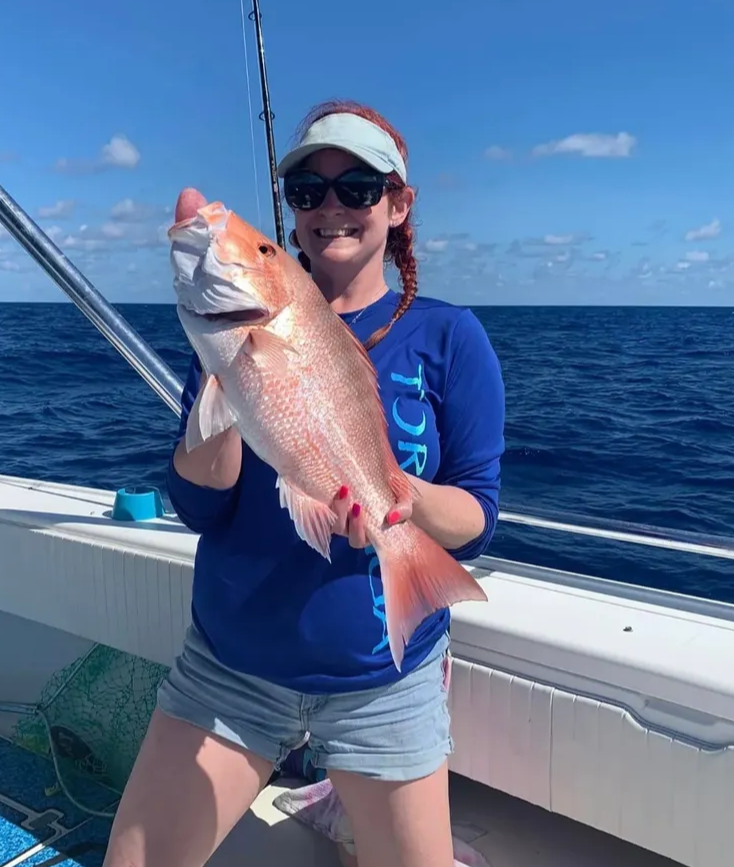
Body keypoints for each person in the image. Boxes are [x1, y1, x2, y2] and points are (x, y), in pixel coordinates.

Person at [102, 99, 506, 867]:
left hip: (385, 680)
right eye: (307, 191)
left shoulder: (451, 337)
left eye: (356, 187)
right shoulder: (234, 324)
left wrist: (400, 500)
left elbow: (476, 516)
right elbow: (201, 502)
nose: (330, 207)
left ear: (398, 203)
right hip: (232, 665)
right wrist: (225, 371)